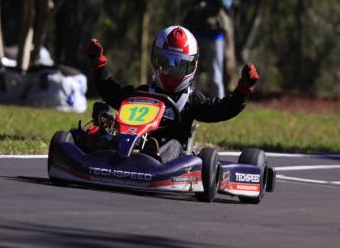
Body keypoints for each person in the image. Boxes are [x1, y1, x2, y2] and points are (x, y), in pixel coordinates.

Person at [85, 25, 259, 163]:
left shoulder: (191, 101)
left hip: (171, 160)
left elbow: (222, 109)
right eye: (165, 63)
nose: (170, 71)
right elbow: (112, 93)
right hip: (134, 144)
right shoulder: (142, 93)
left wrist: (242, 90)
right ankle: (107, 145)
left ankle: (154, 153)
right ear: (155, 60)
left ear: (191, 66)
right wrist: (99, 67)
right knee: (100, 128)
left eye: (179, 66)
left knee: (174, 144)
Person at [183, 0, 233, 98]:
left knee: (215, 75)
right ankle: (187, 103)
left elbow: (227, 2)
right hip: (195, 34)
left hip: (215, 36)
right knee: (191, 73)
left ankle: (219, 107)